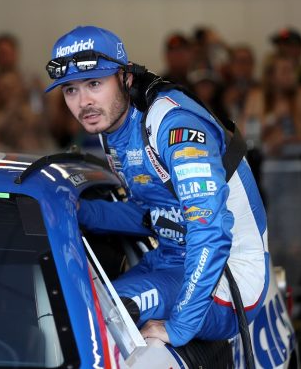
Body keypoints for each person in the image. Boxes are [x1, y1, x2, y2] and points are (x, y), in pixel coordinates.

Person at [44, 25, 268, 347]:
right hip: (174, 258)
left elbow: (210, 231)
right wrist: (75, 212)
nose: (84, 103)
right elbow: (151, 215)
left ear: (126, 78)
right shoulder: (114, 129)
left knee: (96, 316)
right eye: (71, 90)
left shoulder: (171, 125)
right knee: (70, 301)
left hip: (230, 277)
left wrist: (178, 328)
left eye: (94, 84)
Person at [270, 27, 301, 92]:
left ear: (299, 50)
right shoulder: (271, 77)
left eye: (287, 46)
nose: (281, 50)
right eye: (279, 46)